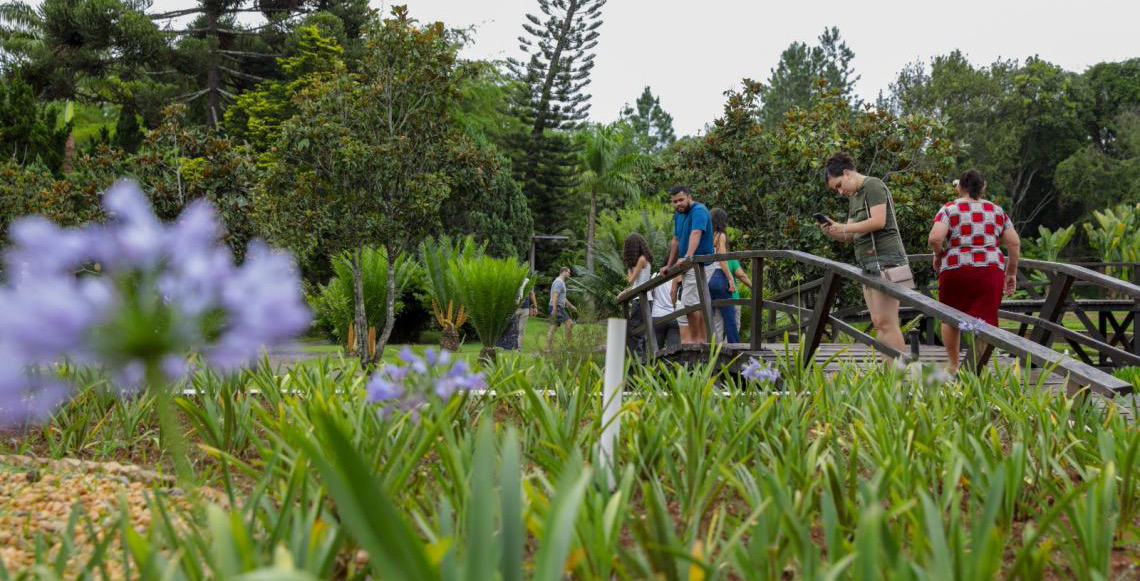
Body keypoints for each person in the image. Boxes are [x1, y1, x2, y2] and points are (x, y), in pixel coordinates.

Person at [928, 169, 1020, 373]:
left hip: (956, 270)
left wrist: (939, 254)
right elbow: (1014, 243)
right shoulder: (997, 211)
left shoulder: (949, 209)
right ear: (983, 187)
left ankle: (953, 365)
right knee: (986, 320)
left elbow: (935, 238)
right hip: (989, 271)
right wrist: (1011, 272)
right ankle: (978, 368)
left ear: (960, 187)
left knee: (949, 316)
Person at [818, 152, 907, 359]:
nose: (840, 192)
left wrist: (842, 226)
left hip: (887, 260)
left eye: (839, 185)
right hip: (868, 263)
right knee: (878, 322)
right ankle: (888, 374)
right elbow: (851, 235)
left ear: (847, 173)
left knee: (888, 322)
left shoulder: (873, 185)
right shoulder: (854, 197)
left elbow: (879, 221)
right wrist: (833, 231)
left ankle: (898, 376)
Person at [660, 185, 715, 343]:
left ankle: (697, 341)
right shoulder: (678, 214)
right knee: (695, 303)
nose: (678, 204)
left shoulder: (699, 210)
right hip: (690, 264)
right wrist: (669, 265)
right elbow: (676, 239)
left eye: (681, 200)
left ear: (689, 197)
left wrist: (688, 256)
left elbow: (696, 232)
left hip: (700, 263)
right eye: (674, 201)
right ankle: (701, 341)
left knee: (690, 303)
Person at [707, 208, 739, 343]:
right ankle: (735, 348)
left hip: (707, 277)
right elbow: (722, 258)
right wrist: (730, 278)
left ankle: (715, 350)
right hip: (719, 276)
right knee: (730, 317)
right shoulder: (720, 235)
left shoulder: (706, 236)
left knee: (714, 318)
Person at [546, 267, 577, 351]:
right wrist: (555, 309)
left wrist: (571, 306)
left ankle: (548, 348)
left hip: (555, 306)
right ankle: (568, 346)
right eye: (569, 272)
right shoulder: (559, 282)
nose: (569, 274)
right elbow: (555, 296)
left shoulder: (559, 282)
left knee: (553, 327)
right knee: (570, 323)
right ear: (564, 272)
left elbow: (563, 298)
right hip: (557, 307)